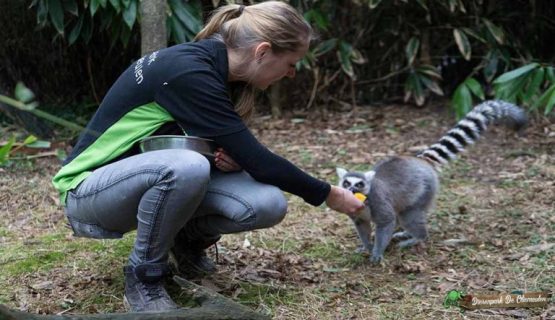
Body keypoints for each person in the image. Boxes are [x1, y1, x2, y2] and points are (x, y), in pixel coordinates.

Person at [52, 1, 364, 313]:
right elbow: (260, 161)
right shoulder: (188, 72)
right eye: (292, 62)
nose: (293, 73)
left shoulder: (217, 70)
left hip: (136, 182)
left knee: (267, 204)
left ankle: (185, 242)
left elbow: (227, 151)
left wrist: (227, 158)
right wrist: (329, 194)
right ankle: (144, 277)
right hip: (87, 192)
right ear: (262, 51)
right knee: (187, 169)